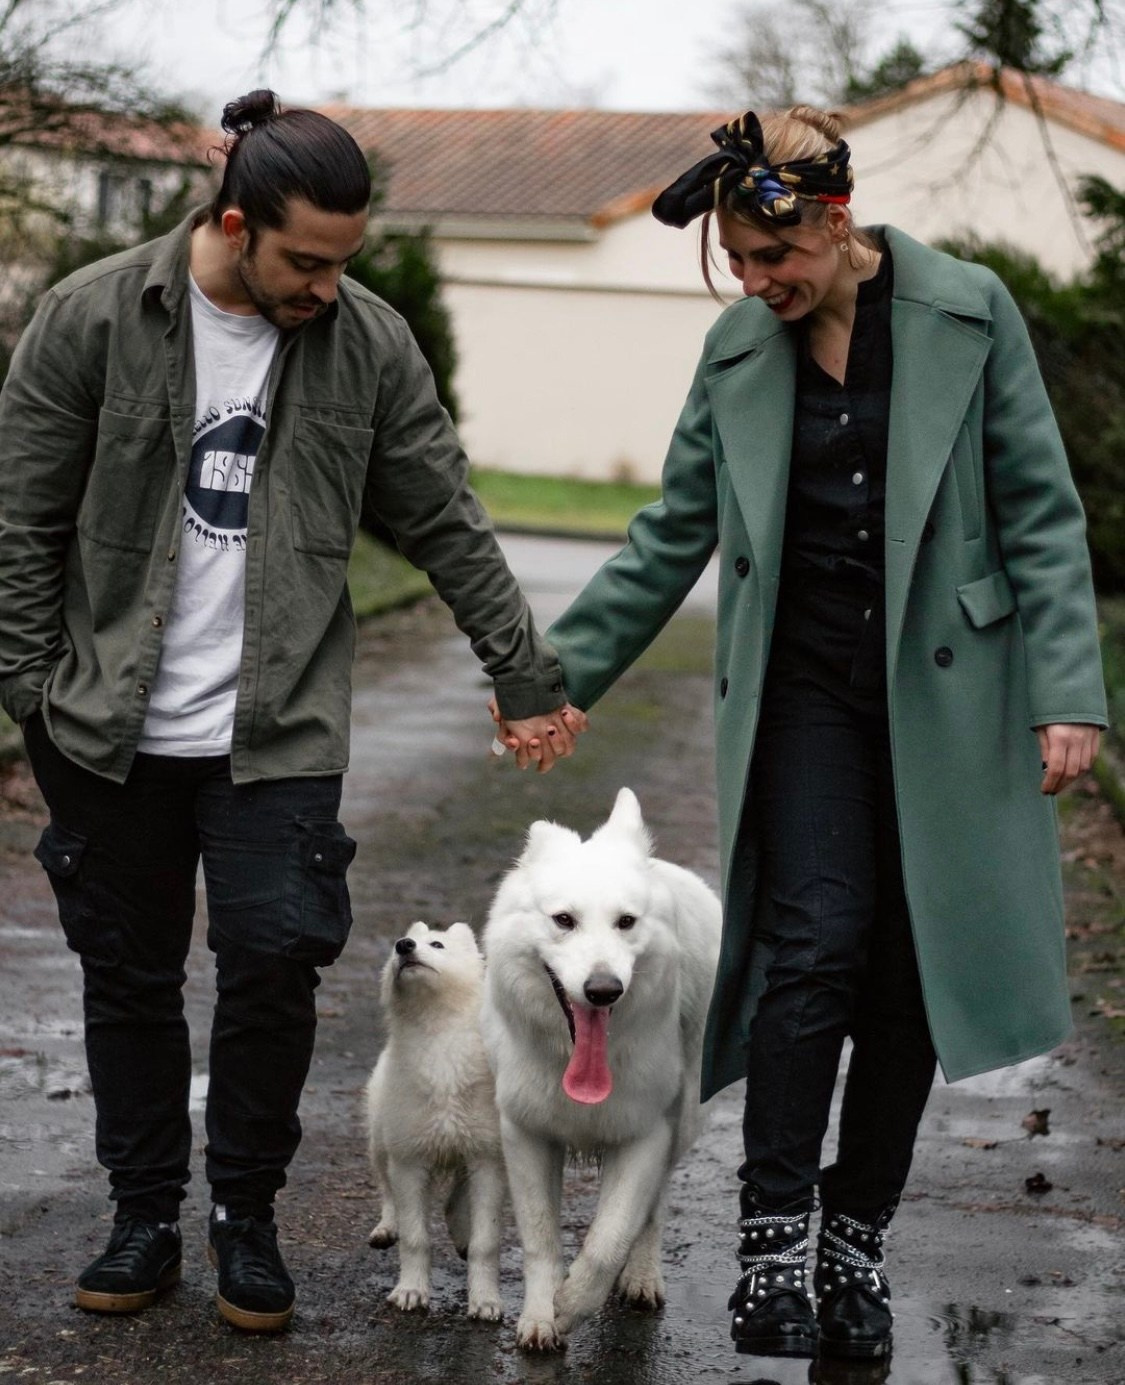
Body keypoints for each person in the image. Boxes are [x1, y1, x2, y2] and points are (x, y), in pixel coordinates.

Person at [500, 106, 1108, 1363]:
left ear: (836, 223)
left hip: (951, 689)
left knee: (910, 964)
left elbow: (1042, 511)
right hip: (805, 692)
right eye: (739, 263)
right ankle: (775, 1224)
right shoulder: (738, 349)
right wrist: (557, 680)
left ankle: (857, 1233)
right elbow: (674, 530)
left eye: (777, 259)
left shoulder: (967, 311)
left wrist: (1069, 689)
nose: (760, 283)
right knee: (815, 940)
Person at [0, 90, 581, 1332]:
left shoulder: (366, 342)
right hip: (105, 726)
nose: (325, 284)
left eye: (343, 261)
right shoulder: (91, 315)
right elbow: (19, 524)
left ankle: (244, 1219)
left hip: (278, 728)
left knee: (272, 967)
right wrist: (30, 695)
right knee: (130, 971)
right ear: (232, 221)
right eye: (305, 261)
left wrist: (521, 671)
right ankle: (144, 1210)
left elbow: (442, 510)